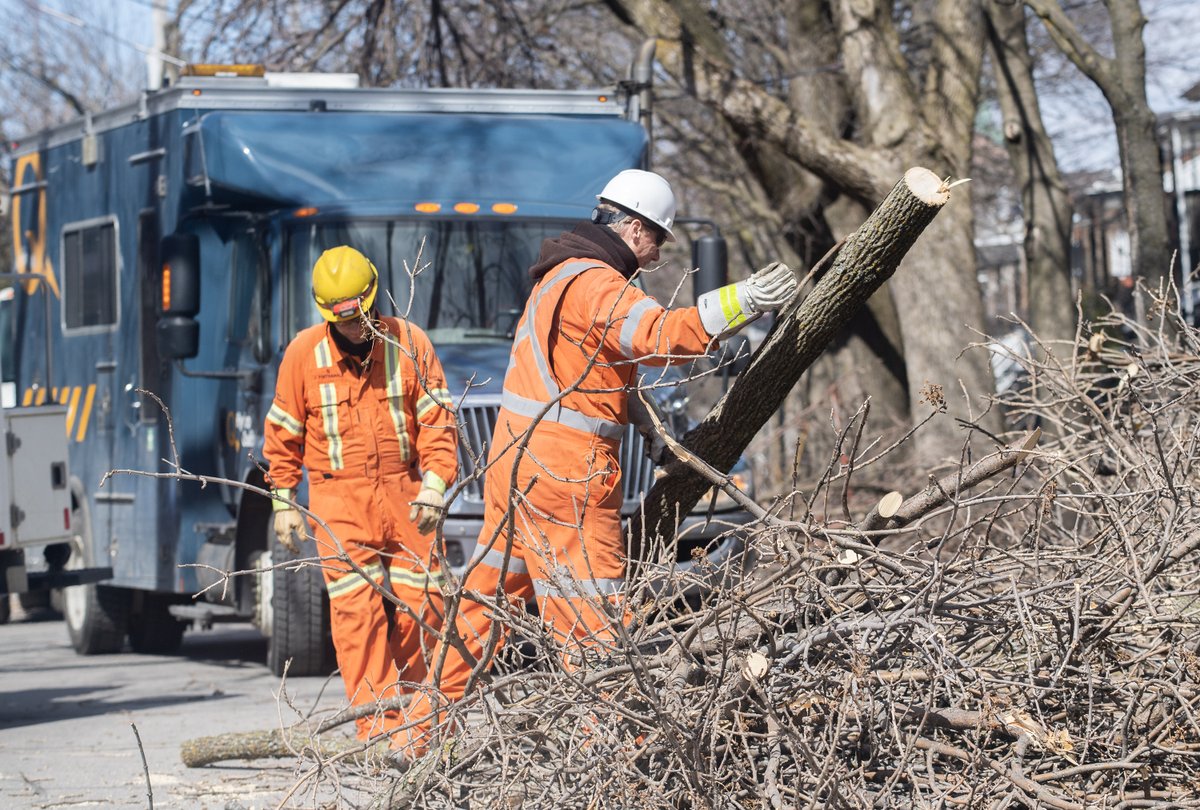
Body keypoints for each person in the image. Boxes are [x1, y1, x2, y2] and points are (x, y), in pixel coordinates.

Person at [391, 169, 796, 759]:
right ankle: (613, 759)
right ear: (634, 229)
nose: (658, 255)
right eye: (658, 239)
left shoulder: (559, 276)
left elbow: (594, 370)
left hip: (517, 467)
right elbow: (658, 335)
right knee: (596, 623)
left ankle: (418, 736)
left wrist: (647, 424)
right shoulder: (600, 284)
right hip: (567, 479)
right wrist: (740, 303)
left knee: (481, 609)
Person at [263, 245, 458, 742]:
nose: (356, 329)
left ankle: (418, 722)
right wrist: (283, 503)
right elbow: (283, 433)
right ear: (327, 314)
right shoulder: (303, 354)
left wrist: (435, 484)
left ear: (374, 298)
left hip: (406, 492)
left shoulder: (409, 342)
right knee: (358, 616)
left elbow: (437, 421)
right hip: (338, 500)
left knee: (428, 606)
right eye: (344, 321)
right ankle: (376, 730)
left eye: (362, 317)